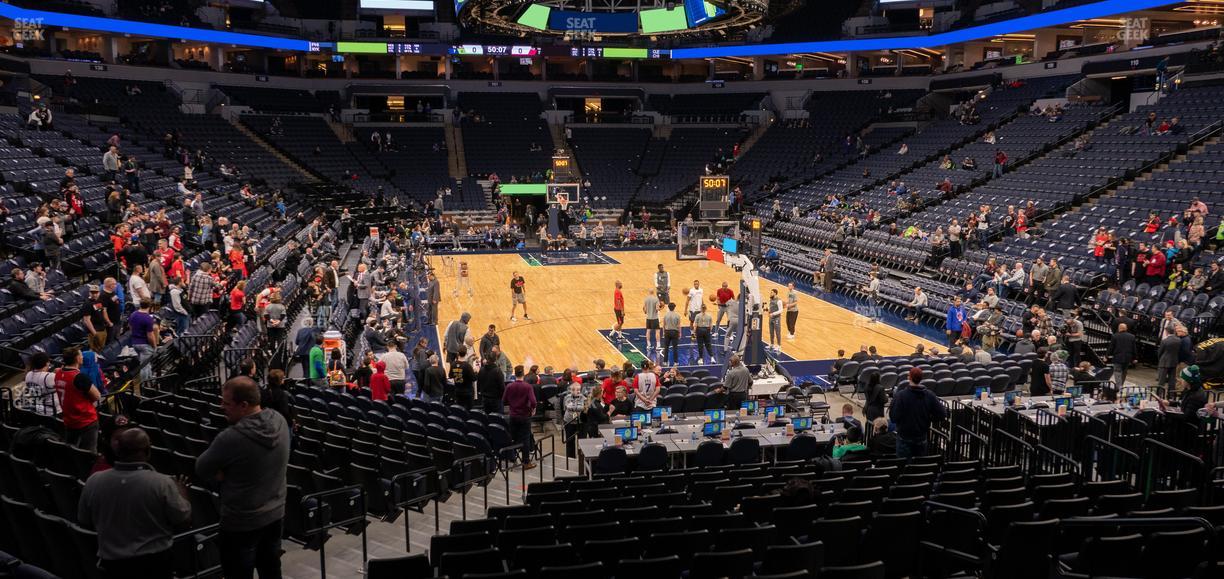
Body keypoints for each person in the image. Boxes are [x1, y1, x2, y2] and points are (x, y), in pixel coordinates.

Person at [195, 376, 290, 579]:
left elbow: (201, 468)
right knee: (272, 569)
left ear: (244, 405)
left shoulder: (230, 438)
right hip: (275, 514)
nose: (222, 407)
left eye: (226, 403)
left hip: (241, 523)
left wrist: (223, 473)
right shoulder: (279, 420)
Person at [79, 427, 191, 579]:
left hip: (111, 565)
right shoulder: (161, 483)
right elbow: (182, 517)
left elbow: (84, 520)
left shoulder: (94, 481)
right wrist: (182, 493)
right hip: (154, 564)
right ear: (147, 451)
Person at [889, 368, 947, 459]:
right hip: (921, 436)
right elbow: (942, 414)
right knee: (919, 467)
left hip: (904, 437)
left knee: (903, 467)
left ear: (909, 378)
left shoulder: (900, 395)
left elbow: (893, 417)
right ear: (921, 379)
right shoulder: (930, 395)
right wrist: (929, 419)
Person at [57, 346, 101, 452]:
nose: (82, 357)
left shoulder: (58, 373)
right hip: (86, 420)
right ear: (77, 359)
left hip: (69, 419)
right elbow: (97, 396)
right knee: (89, 453)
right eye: (81, 355)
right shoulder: (79, 377)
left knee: (71, 451)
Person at [502, 366, 537, 469]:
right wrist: (533, 409)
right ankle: (526, 462)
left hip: (513, 416)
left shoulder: (509, 386)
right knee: (525, 439)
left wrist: (513, 403)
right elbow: (533, 401)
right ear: (523, 373)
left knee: (512, 438)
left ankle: (512, 458)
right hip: (524, 416)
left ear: (515, 373)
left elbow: (504, 401)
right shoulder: (527, 387)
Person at [561, 382, 585, 457]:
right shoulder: (567, 397)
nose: (576, 391)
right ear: (570, 390)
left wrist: (574, 407)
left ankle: (582, 457)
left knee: (582, 441)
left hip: (581, 422)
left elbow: (583, 407)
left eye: (578, 389)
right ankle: (571, 458)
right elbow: (568, 407)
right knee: (570, 442)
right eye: (573, 389)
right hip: (569, 422)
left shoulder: (584, 397)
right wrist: (579, 407)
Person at [1157, 329, 1182, 396]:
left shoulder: (1164, 341)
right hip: (1174, 361)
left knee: (1161, 380)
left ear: (1167, 332)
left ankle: (1159, 394)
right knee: (1172, 380)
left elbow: (1160, 352)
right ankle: (1171, 395)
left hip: (1164, 361)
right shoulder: (1179, 340)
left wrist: (1160, 359)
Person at [767, 289, 783, 353]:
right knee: (771, 332)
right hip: (771, 318)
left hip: (776, 318)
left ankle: (779, 346)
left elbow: (781, 310)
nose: (770, 293)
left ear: (775, 293)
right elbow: (770, 306)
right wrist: (767, 309)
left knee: (777, 332)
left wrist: (773, 314)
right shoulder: (771, 299)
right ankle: (772, 344)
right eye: (770, 292)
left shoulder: (779, 301)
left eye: (772, 293)